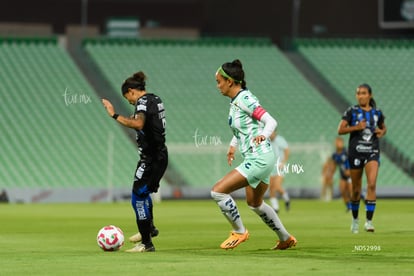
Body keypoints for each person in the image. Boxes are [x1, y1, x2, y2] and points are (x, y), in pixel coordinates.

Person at [211, 59, 297, 250]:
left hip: (259, 158)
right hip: (260, 158)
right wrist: (233, 145)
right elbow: (242, 129)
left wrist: (263, 136)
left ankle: (240, 232)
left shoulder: (245, 99)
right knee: (255, 203)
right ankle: (285, 238)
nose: (218, 86)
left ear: (230, 81)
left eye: (219, 82)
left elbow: (271, 122)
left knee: (218, 191)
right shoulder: (236, 102)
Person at [102, 71, 168, 252]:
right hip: (159, 156)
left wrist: (114, 115)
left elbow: (138, 124)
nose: (130, 102)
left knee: (137, 197)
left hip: (152, 159)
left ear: (131, 91)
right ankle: (150, 229)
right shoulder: (156, 98)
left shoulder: (142, 102)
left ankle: (146, 243)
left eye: (128, 98)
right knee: (144, 193)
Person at [338, 83, 386, 234]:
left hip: (372, 150)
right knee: (356, 189)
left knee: (371, 184)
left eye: (363, 93)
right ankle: (355, 220)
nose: (360, 96)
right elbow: (340, 129)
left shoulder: (377, 113)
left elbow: (383, 127)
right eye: (358, 93)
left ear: (369, 95)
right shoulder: (351, 111)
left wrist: (381, 131)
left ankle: (369, 222)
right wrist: (356, 127)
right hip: (355, 152)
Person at [323, 137, 352, 211]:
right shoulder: (334, 155)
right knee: (342, 190)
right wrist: (331, 174)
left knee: (351, 191)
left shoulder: (347, 151)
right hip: (343, 175)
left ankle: (361, 197)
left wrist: (350, 170)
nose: (338, 144)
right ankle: (349, 207)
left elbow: (354, 161)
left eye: (339, 142)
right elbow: (334, 165)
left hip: (351, 175)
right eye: (336, 142)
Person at [268, 131, 291, 213]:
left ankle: (286, 198)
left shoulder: (280, 140)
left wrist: (284, 162)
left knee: (277, 186)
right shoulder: (266, 140)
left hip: (279, 167)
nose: (270, 134)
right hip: (270, 167)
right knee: (271, 188)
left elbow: (287, 150)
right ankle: (275, 208)